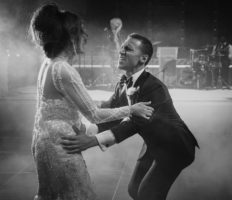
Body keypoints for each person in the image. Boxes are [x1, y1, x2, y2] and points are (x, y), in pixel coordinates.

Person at [30, 4, 153, 200]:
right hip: (62, 145)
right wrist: (132, 109)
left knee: (50, 195)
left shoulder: (48, 63)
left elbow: (63, 102)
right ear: (71, 38)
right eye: (81, 34)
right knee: (77, 194)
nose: (84, 39)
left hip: (43, 141)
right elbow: (93, 114)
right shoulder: (64, 69)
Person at [61, 33, 199, 200]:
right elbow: (112, 113)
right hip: (153, 143)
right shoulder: (122, 83)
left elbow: (133, 124)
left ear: (143, 59)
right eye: (121, 48)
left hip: (175, 147)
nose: (121, 52)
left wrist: (92, 142)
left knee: (147, 194)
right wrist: (87, 130)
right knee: (134, 190)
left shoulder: (154, 88)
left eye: (128, 49)